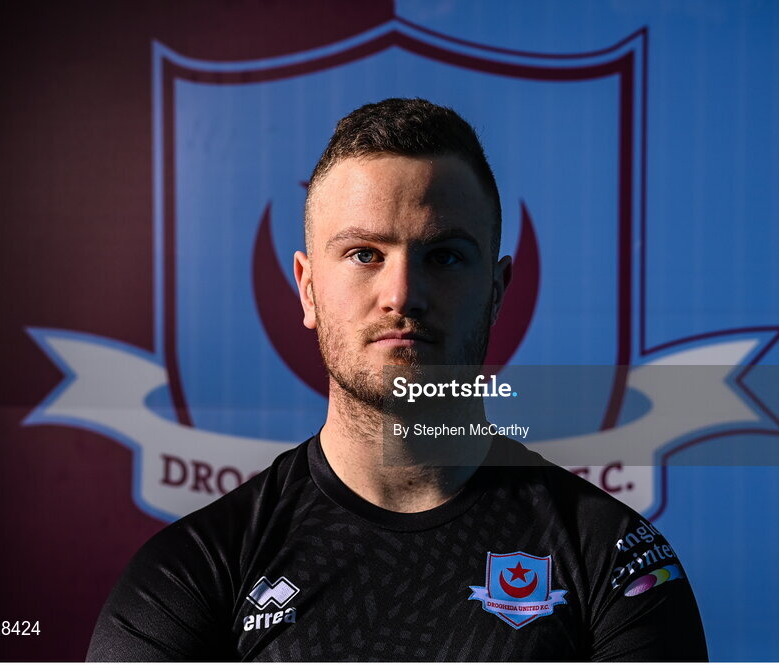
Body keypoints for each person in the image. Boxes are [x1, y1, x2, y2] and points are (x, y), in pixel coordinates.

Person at [87, 98, 708, 661]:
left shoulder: (614, 563)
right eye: (364, 254)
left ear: (495, 292)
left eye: (444, 256)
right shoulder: (192, 575)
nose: (403, 294)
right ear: (307, 288)